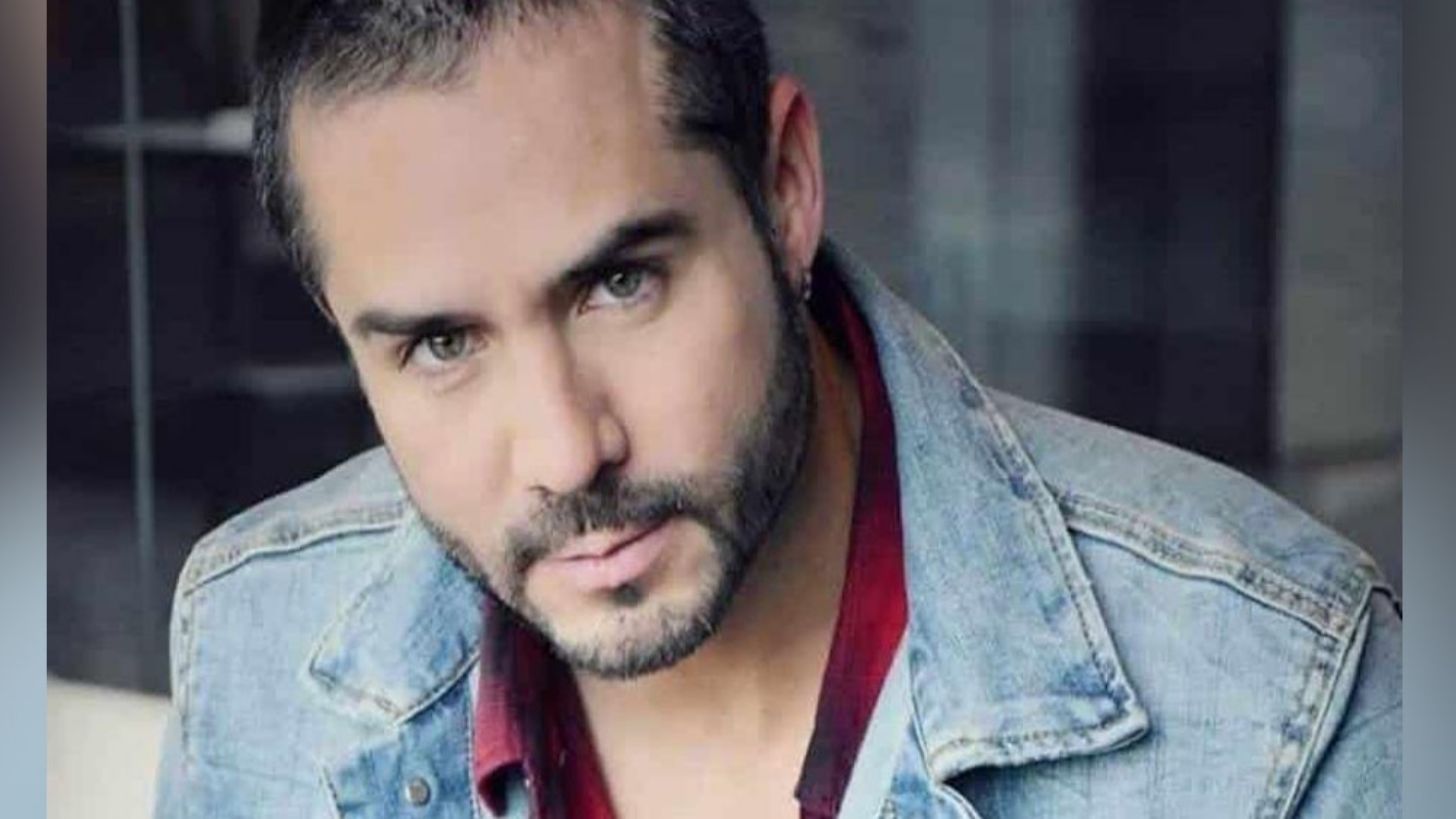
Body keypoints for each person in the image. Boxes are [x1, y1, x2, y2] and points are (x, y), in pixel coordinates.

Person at [154, 1, 1401, 816]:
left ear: (785, 186)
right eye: (439, 345)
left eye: (620, 284)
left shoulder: (1276, 697)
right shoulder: (259, 636)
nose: (566, 450)